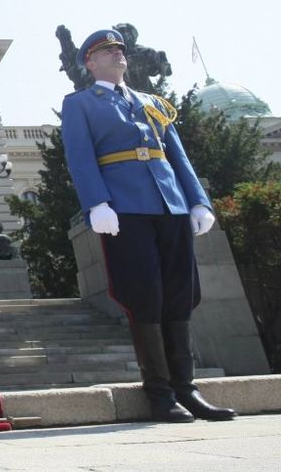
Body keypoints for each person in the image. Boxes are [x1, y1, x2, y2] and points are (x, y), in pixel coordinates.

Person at [62, 28, 236, 423]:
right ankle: (159, 394)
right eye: (108, 50)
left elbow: (178, 156)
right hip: (125, 208)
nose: (118, 53)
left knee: (179, 295)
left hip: (169, 204)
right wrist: (97, 203)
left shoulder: (152, 102)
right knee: (145, 296)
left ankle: (187, 390)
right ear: (90, 62)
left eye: (120, 48)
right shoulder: (82, 104)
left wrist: (198, 200)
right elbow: (80, 156)